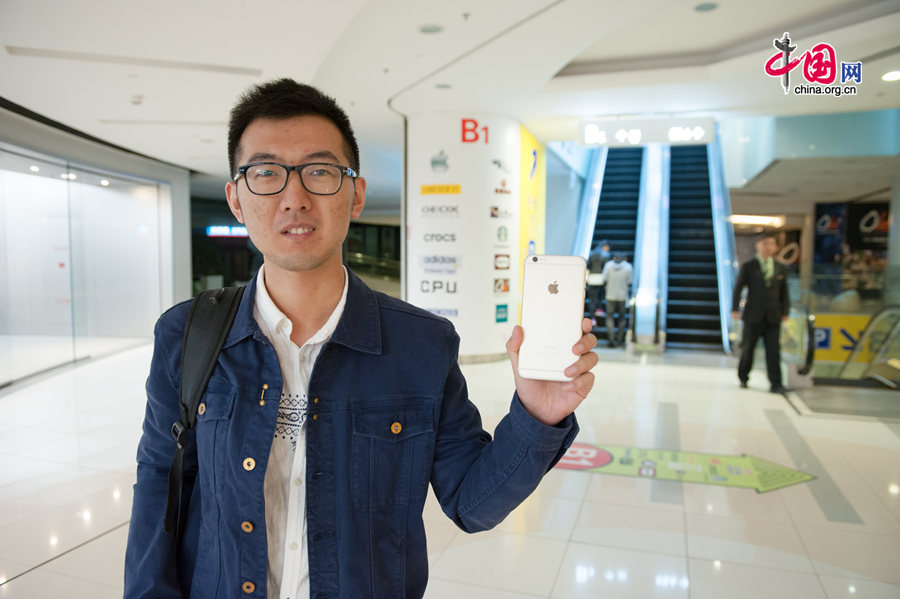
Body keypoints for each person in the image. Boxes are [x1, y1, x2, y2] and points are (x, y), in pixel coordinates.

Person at [124, 78, 599, 599]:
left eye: (320, 172)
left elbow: (471, 503)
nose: (294, 198)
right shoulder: (186, 333)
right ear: (236, 198)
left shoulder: (422, 345)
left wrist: (537, 414)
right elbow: (158, 491)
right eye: (266, 174)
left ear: (356, 195)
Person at [732, 232, 790, 393]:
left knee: (773, 350)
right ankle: (743, 377)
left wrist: (785, 311)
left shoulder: (779, 267)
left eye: (771, 244)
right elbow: (738, 288)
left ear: (776, 247)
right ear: (758, 246)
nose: (767, 247)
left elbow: (784, 292)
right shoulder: (749, 266)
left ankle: (776, 383)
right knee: (748, 348)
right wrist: (735, 308)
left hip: (773, 315)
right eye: (764, 244)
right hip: (753, 315)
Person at [600, 252, 632, 347]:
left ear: (613, 258)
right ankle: (620, 339)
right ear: (624, 258)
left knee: (609, 317)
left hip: (610, 295)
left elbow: (604, 278)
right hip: (622, 296)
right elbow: (630, 281)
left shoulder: (608, 265)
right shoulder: (628, 267)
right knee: (622, 318)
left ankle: (611, 339)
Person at [586, 240, 610, 317]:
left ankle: (592, 318)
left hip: (591, 278)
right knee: (599, 297)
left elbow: (588, 266)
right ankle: (599, 310)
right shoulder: (605, 255)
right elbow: (606, 268)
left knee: (592, 299)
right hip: (600, 279)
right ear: (603, 246)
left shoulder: (591, 254)